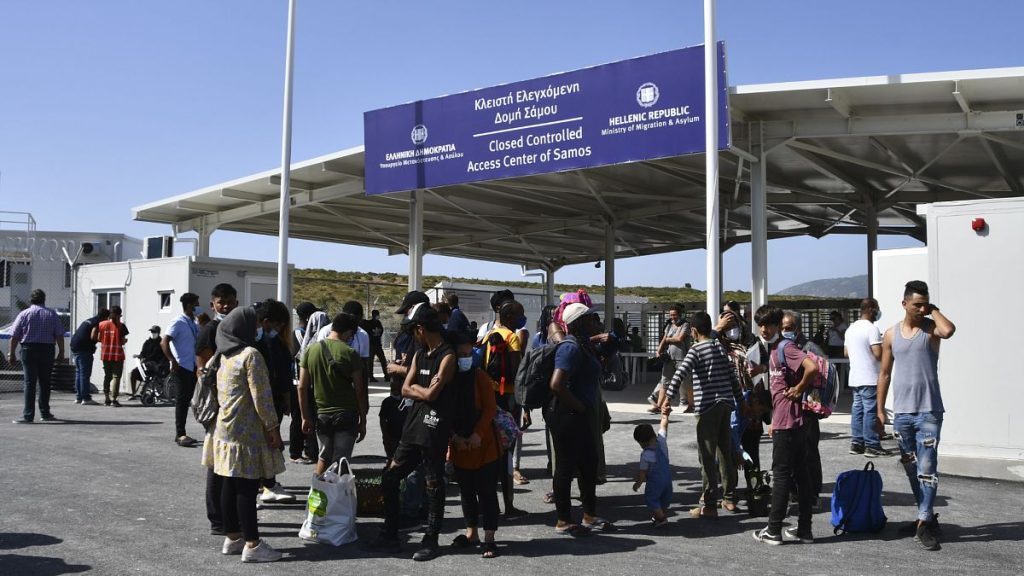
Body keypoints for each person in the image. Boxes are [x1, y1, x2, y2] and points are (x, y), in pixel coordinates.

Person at [367, 303, 456, 562]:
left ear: (420, 328)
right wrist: (422, 390)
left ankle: (431, 539)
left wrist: (421, 389)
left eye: (411, 330)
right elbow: (406, 389)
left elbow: (431, 394)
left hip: (434, 429)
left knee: (433, 483)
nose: (410, 335)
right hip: (412, 427)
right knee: (391, 477)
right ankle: (390, 534)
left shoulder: (447, 356)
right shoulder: (419, 354)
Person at [201, 306, 285, 563]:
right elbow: (262, 396)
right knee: (247, 488)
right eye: (256, 323)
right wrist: (272, 428)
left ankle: (234, 537)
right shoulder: (251, 355)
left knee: (228, 483)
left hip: (224, 430)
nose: (259, 328)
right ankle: (253, 544)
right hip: (247, 432)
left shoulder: (223, 355)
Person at [875, 280, 955, 551]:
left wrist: (934, 310)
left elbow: (949, 330)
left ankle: (923, 521)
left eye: (925, 303)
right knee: (912, 469)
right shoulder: (890, 335)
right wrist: (878, 411)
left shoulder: (931, 329)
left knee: (927, 469)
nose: (921, 309)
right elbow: (884, 374)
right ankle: (926, 516)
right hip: (903, 415)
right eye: (917, 304)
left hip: (929, 412)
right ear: (904, 304)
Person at [662, 311, 745, 517]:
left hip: (707, 407)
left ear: (694, 331)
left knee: (707, 456)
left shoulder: (695, 350)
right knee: (724, 452)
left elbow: (679, 373)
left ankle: (708, 505)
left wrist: (667, 400)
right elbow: (733, 377)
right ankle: (729, 499)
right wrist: (741, 402)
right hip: (726, 405)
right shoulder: (720, 349)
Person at [751, 305, 819, 546]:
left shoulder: (785, 347)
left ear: (778, 325)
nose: (764, 329)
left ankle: (773, 529)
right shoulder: (777, 350)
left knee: (781, 476)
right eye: (760, 324)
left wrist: (798, 389)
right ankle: (804, 529)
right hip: (792, 420)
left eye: (768, 324)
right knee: (801, 474)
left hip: (788, 423)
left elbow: (812, 367)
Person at [547, 303, 613, 535]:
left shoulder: (584, 346)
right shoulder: (571, 348)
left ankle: (589, 515)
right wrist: (580, 408)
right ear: (579, 323)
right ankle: (563, 520)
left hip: (579, 414)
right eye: (590, 318)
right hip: (567, 415)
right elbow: (556, 385)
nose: (595, 320)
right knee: (565, 467)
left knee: (588, 464)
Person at [449, 331, 501, 558]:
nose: (466, 358)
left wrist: (478, 434)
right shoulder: (448, 379)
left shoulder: (479, 377)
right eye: (461, 354)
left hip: (485, 445)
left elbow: (490, 408)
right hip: (460, 446)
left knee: (487, 492)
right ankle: (472, 533)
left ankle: (489, 538)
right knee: (466, 492)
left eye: (469, 353)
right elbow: (442, 412)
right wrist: (454, 437)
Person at [194, 283, 239, 537]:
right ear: (213, 305)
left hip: (232, 407)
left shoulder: (234, 329)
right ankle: (218, 519)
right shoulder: (210, 330)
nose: (225, 306)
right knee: (216, 465)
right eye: (221, 303)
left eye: (230, 302)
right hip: (217, 408)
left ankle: (230, 516)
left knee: (229, 466)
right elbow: (203, 371)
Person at [298, 312, 367, 475]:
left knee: (324, 456)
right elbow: (360, 390)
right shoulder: (350, 353)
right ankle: (337, 498)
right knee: (341, 460)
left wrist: (304, 417)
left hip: (322, 414)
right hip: (346, 414)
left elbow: (301, 386)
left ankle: (317, 495)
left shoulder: (310, 350)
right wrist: (362, 420)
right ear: (349, 332)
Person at [483, 299, 528, 512]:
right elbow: (517, 374)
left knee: (490, 451)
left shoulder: (487, 335)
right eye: (520, 314)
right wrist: (525, 405)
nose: (523, 318)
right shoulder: (512, 338)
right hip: (508, 400)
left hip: (489, 397)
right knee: (506, 454)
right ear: (510, 317)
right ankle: (509, 505)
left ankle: (487, 503)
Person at [781, 311, 828, 507]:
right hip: (789, 406)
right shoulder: (784, 347)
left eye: (789, 329)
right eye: (782, 328)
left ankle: (812, 492)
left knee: (809, 450)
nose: (785, 332)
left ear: (798, 329)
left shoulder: (810, 348)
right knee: (790, 450)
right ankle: (794, 490)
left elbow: (821, 372)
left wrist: (802, 389)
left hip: (807, 407)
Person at [253, 300, 296, 504]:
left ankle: (267, 483)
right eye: (279, 325)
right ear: (268, 322)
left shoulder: (264, 341)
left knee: (268, 443)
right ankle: (266, 485)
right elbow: (280, 375)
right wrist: (286, 398)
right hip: (269, 400)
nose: (281, 329)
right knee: (270, 443)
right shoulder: (269, 343)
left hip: (270, 399)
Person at [9, 289, 66, 424]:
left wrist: (11, 353)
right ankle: (45, 413)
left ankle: (28, 415)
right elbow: (59, 335)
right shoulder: (51, 314)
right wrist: (61, 352)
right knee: (45, 382)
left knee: (29, 382)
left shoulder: (24, 314)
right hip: (47, 349)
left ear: (31, 300)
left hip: (29, 349)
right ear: (44, 300)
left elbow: (14, 336)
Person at [845, 298, 889, 457]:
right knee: (870, 411)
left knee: (857, 410)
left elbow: (846, 352)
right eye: (877, 308)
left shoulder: (850, 328)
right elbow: (878, 354)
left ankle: (857, 443)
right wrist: (885, 345)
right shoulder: (872, 329)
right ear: (871, 309)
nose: (878, 312)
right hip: (869, 377)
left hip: (855, 377)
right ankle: (872, 444)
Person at [163, 292, 201, 447]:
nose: (198, 307)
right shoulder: (178, 322)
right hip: (182, 366)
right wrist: (172, 360)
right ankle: (180, 434)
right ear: (190, 305)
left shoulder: (193, 323)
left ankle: (183, 433)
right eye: (196, 304)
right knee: (182, 401)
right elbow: (164, 342)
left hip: (193, 366)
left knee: (192, 400)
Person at [648, 303, 693, 414]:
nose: (672, 317)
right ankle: (659, 406)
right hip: (669, 359)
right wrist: (659, 350)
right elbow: (664, 339)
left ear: (680, 314)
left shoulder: (685, 325)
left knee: (686, 383)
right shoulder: (669, 325)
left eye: (674, 315)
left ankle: (692, 405)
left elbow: (679, 339)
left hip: (682, 359)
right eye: (671, 315)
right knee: (665, 382)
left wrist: (668, 339)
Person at [632, 410, 672, 528]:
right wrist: (665, 415)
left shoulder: (645, 455)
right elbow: (664, 425)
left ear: (642, 442)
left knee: (652, 499)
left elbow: (643, 473)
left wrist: (637, 484)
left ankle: (661, 518)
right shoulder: (661, 440)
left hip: (655, 481)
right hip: (667, 478)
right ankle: (661, 513)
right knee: (665, 498)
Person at [69, 307, 109, 405]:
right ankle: (86, 398)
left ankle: (79, 397)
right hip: (84, 348)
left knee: (79, 373)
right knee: (85, 374)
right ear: (105, 317)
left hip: (75, 346)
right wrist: (101, 340)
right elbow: (93, 335)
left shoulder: (90, 320)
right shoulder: (98, 322)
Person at [96, 305, 129, 407]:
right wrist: (124, 341)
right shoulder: (121, 326)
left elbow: (98, 338)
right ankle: (114, 399)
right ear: (119, 315)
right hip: (117, 355)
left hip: (105, 354)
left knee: (107, 376)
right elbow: (123, 341)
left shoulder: (101, 324)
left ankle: (106, 399)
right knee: (116, 377)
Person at [130, 325, 167, 399]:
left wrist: (160, 364)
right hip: (146, 366)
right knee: (133, 373)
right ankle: (133, 394)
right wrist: (139, 356)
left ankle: (144, 391)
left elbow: (165, 356)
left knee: (150, 371)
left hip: (157, 367)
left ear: (158, 333)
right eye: (151, 331)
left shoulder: (162, 343)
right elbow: (142, 354)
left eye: (154, 332)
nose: (152, 333)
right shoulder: (147, 343)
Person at [364, 309, 387, 382]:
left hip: (378, 345)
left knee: (383, 360)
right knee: (370, 362)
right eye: (377, 315)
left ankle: (387, 375)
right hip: (371, 345)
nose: (377, 316)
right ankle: (370, 376)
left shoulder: (378, 323)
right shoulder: (369, 323)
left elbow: (381, 331)